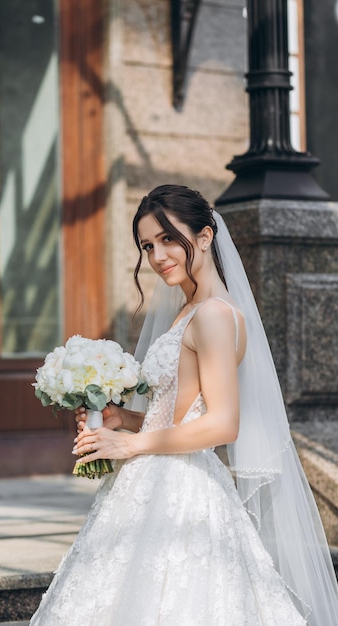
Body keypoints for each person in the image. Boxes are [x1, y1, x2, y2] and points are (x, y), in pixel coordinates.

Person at [30, 185, 338, 625]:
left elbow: (223, 424)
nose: (158, 256)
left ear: (207, 237)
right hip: (152, 476)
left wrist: (128, 446)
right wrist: (125, 419)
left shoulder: (213, 313)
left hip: (182, 488)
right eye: (147, 245)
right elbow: (178, 410)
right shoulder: (189, 309)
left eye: (169, 239)